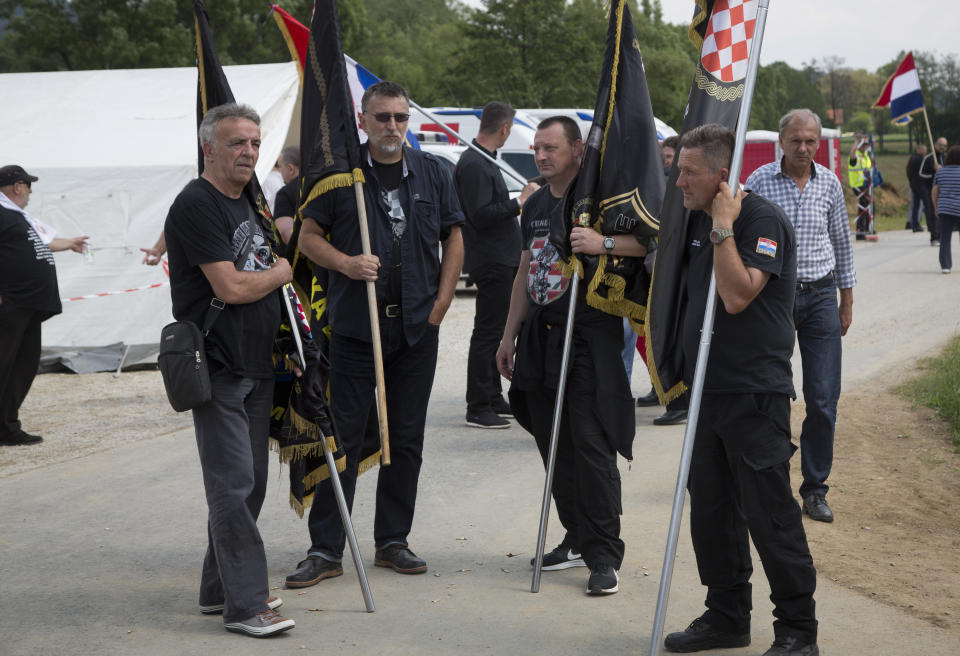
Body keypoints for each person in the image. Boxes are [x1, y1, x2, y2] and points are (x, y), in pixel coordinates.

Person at [288, 81, 464, 587]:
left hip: (415, 329)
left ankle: (392, 540)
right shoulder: (339, 178)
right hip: (355, 330)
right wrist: (347, 262)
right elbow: (308, 238)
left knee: (406, 438)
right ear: (364, 120)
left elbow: (454, 236)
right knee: (340, 438)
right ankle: (325, 549)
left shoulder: (434, 172)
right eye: (383, 116)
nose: (393, 126)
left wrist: (443, 302)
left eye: (401, 117)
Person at [664, 124, 818, 656]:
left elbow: (736, 296)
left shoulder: (758, 219)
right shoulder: (696, 218)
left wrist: (725, 227)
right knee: (711, 512)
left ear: (720, 176)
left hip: (753, 393)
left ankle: (798, 629)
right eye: (677, 168)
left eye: (688, 171)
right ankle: (727, 616)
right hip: (706, 391)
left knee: (768, 514)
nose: (678, 179)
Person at [163, 103, 295, 637]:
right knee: (233, 484)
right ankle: (245, 606)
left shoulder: (248, 204)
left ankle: (218, 589)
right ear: (209, 148)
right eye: (238, 143)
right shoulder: (197, 204)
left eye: (255, 143)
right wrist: (284, 271)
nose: (249, 152)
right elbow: (232, 286)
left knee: (252, 483)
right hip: (216, 365)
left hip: (256, 364)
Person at [496, 116, 641, 596]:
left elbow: (648, 241)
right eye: (537, 148)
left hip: (589, 334)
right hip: (541, 336)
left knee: (590, 444)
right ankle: (575, 536)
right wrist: (508, 335)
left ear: (578, 149)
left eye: (551, 148)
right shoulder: (535, 203)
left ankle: (604, 554)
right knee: (551, 441)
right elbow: (524, 272)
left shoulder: (601, 197)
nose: (541, 156)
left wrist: (601, 242)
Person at [746, 109, 856, 524]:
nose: (804, 148)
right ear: (781, 141)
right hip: (773, 300)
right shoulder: (758, 182)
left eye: (811, 141)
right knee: (768, 393)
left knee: (824, 399)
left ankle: (814, 489)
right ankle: (765, 482)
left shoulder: (829, 182)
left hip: (822, 297)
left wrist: (847, 301)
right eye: (796, 140)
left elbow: (842, 244)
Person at [455, 101, 539, 429]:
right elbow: (479, 215)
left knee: (498, 330)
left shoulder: (483, 160)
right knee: (488, 333)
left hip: (501, 258)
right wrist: (519, 202)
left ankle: (491, 395)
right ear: (504, 129)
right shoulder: (475, 164)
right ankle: (477, 404)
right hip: (490, 259)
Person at [0, 165, 88, 446]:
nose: (30, 192)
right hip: (10, 303)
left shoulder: (17, 216)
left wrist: (70, 243)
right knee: (4, 365)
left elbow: (41, 242)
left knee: (21, 367)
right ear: (18, 187)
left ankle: (7, 426)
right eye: (28, 186)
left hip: (28, 305)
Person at [932, 145, 960, 273]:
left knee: (945, 239)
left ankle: (946, 266)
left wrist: (936, 207)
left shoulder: (941, 172)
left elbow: (934, 191)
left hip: (945, 209)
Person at [271, 145, 302, 247]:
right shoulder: (317, 186)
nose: (279, 171)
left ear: (290, 169)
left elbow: (285, 234)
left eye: (279, 166)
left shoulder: (285, 193)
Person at [920, 136, 948, 245]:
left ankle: (942, 236)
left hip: (944, 190)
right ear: (936, 145)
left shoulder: (946, 158)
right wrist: (934, 172)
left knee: (942, 214)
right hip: (931, 190)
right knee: (933, 213)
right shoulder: (929, 158)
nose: (942, 148)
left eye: (944, 146)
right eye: (941, 145)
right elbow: (921, 174)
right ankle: (934, 237)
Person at [847, 133, 872, 239]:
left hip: (866, 184)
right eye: (863, 145)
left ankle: (866, 229)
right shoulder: (856, 154)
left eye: (866, 145)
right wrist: (856, 141)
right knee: (863, 205)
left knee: (868, 205)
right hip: (858, 184)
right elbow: (852, 155)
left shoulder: (865, 155)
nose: (865, 147)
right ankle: (860, 231)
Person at [906, 143, 929, 232]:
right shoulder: (921, 160)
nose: (925, 151)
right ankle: (930, 224)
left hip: (914, 185)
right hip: (921, 185)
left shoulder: (911, 159)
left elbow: (908, 172)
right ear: (918, 150)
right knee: (927, 204)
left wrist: (911, 182)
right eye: (924, 150)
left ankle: (915, 224)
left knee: (916, 205)